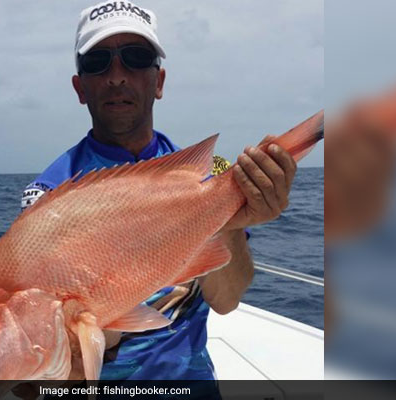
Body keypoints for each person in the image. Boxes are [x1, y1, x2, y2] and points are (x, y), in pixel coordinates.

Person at [20, 1, 297, 381]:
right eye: (98, 62)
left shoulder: (211, 175)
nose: (117, 76)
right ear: (80, 87)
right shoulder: (48, 195)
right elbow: (57, 372)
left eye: (135, 57)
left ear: (160, 81)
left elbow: (227, 300)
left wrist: (228, 222)